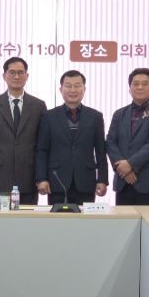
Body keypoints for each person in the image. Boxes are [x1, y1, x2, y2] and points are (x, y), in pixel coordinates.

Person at [35, 70, 108, 206]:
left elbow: (101, 152)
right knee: (57, 219)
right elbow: (42, 150)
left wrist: (102, 180)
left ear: (84, 89)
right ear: (61, 89)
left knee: (85, 219)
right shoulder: (49, 116)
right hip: (57, 181)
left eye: (77, 85)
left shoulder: (95, 116)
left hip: (86, 182)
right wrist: (41, 179)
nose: (73, 90)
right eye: (68, 86)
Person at [0, 57, 47, 205]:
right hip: (0, 177)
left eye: (20, 72)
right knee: (2, 218)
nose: (16, 76)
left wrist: (41, 176)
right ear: (4, 76)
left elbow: (42, 145)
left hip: (29, 177)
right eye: (12, 72)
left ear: (27, 76)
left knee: (28, 217)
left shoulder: (38, 106)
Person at [106, 68, 149, 205]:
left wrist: (129, 165)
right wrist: (122, 168)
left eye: (145, 83)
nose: (140, 87)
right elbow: (110, 142)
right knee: (123, 220)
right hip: (123, 183)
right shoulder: (119, 114)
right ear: (129, 89)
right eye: (135, 84)